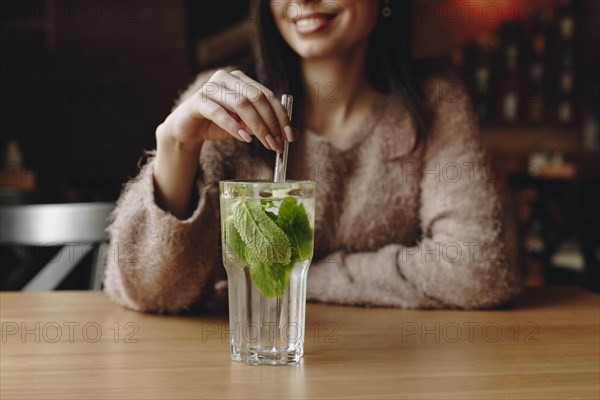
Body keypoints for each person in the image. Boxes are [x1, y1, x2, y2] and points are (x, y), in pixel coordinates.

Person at [104, 0, 521, 313]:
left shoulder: (436, 100)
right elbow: (150, 291)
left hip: (391, 370)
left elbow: (477, 269)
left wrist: (302, 277)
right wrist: (176, 147)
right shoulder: (222, 105)